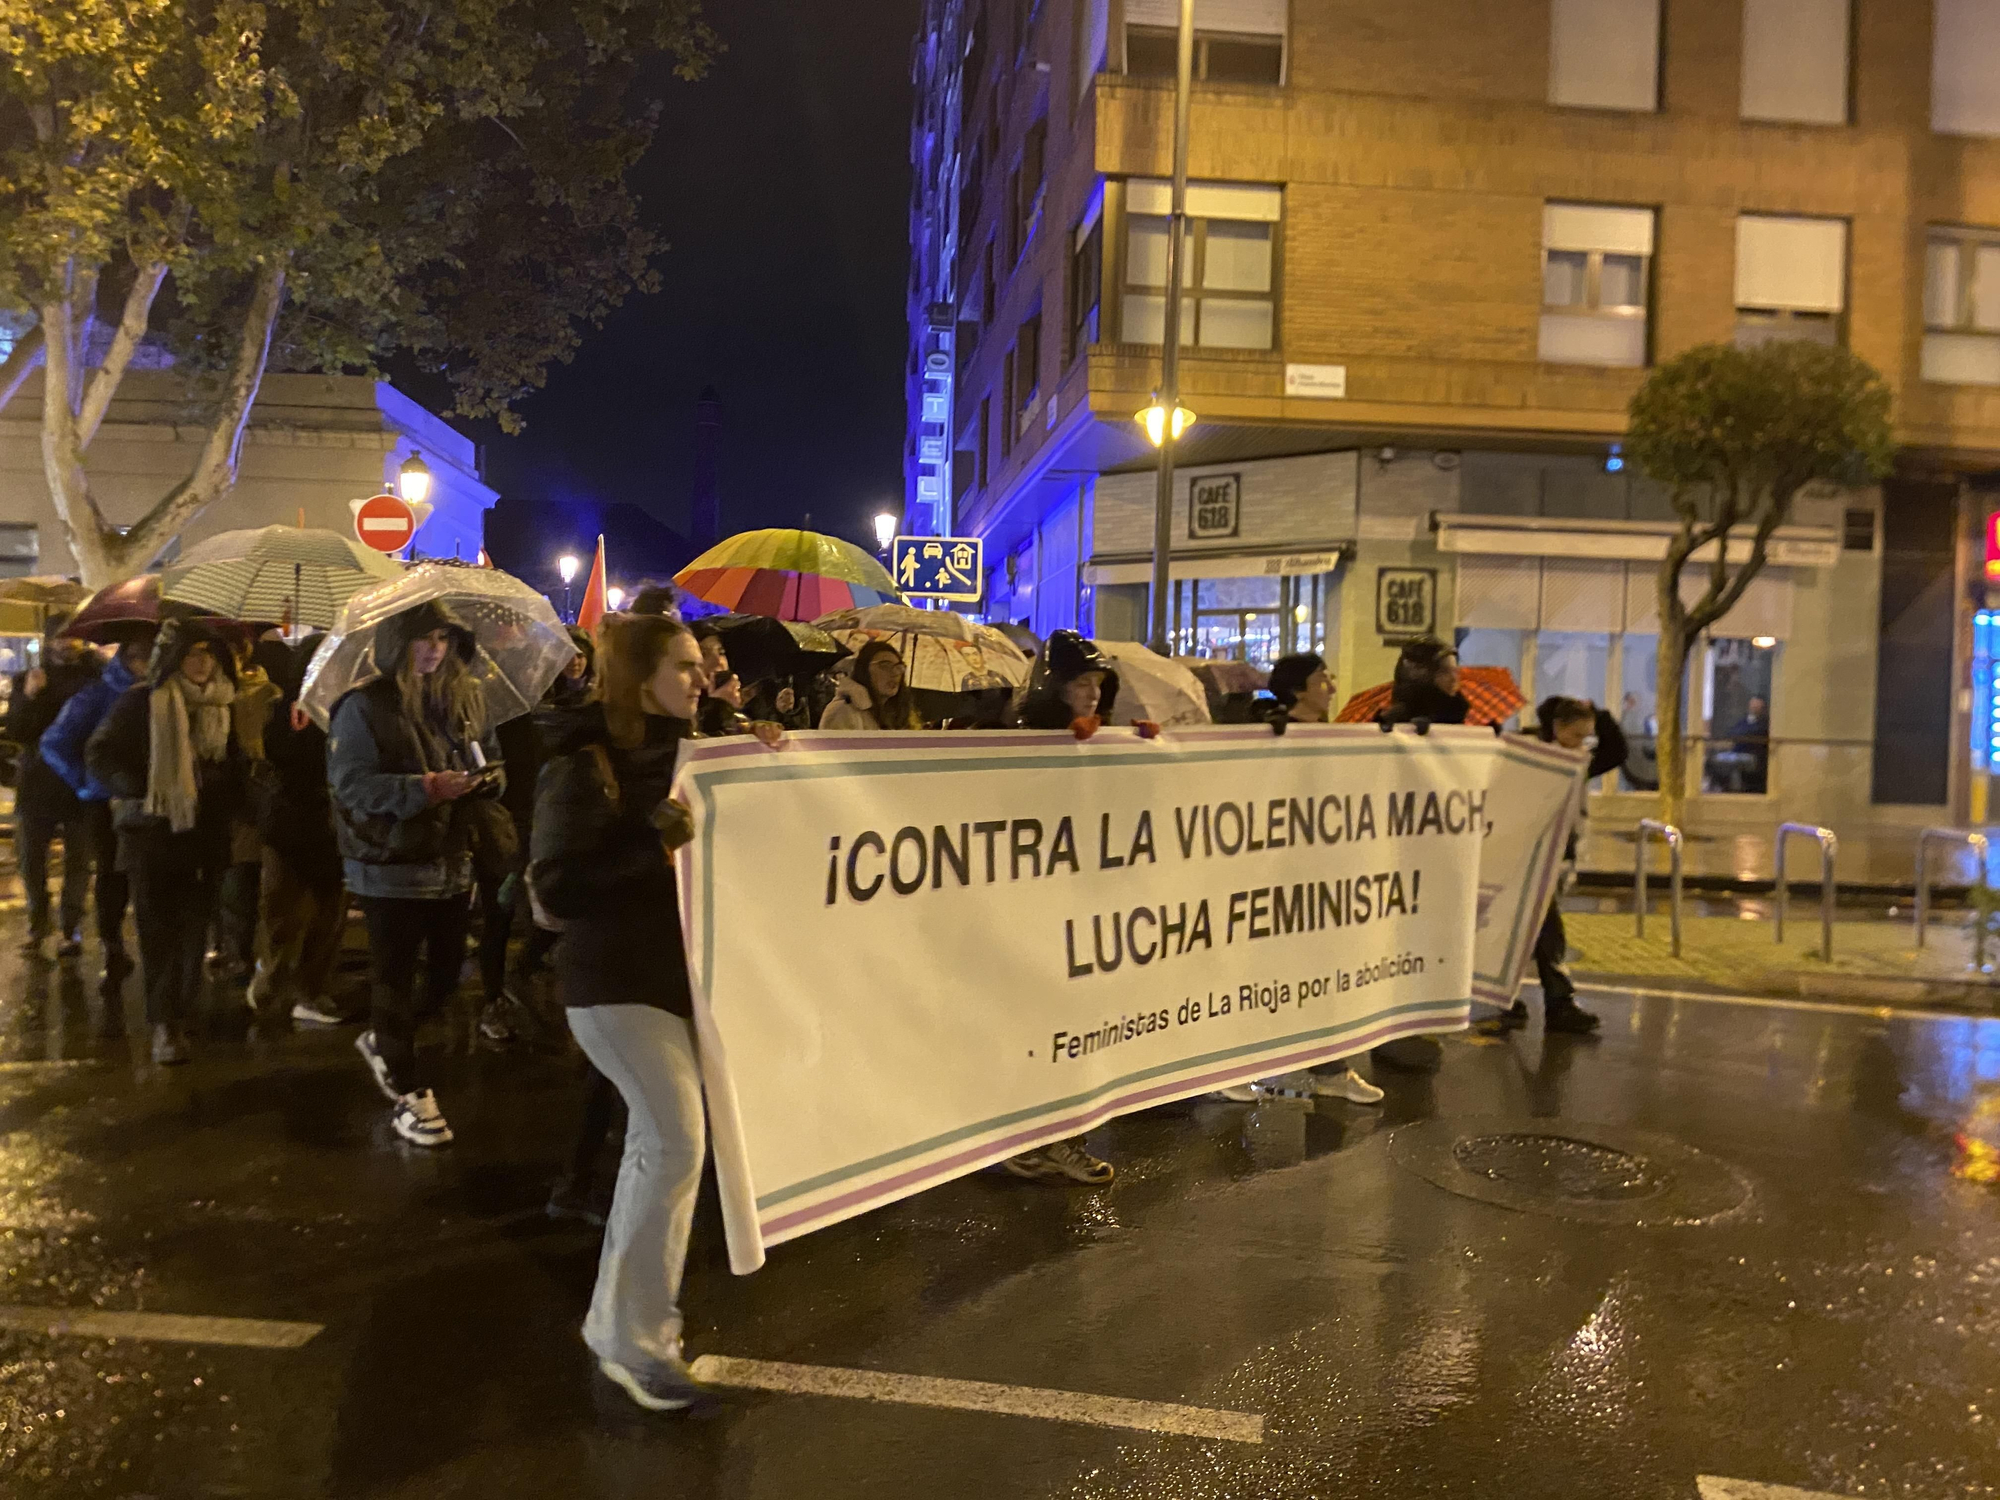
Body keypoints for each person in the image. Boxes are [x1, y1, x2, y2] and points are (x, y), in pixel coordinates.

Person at [530, 612, 713, 1411]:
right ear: (641, 681)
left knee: (665, 1145)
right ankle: (634, 1340)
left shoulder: (700, 755)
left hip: (679, 983)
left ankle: (624, 1326)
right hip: (612, 986)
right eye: (686, 667)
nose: (704, 678)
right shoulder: (580, 767)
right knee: (673, 1141)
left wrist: (770, 751)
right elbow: (557, 890)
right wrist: (652, 842)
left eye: (703, 665)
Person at [327, 601, 503, 1147]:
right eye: (424, 638)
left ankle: (386, 1039)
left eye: (443, 639)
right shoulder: (364, 706)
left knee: (447, 974)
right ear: (398, 642)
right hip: (390, 866)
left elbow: (491, 757)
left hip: (451, 861)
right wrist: (424, 789)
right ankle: (409, 1092)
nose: (434, 650)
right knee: (395, 979)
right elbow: (351, 784)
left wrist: (487, 781)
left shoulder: (464, 699)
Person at [1217, 654, 1386, 1108]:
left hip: (1323, 880)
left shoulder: (1333, 735)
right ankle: (1232, 1066)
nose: (1330, 686)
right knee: (1258, 975)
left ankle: (1330, 1070)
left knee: (1322, 976)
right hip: (1274, 878)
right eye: (1320, 679)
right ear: (1296, 690)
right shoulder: (1269, 733)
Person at [85, 620, 249, 1064]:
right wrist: (146, 786)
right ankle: (164, 1023)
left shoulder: (223, 704)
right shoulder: (142, 701)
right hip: (152, 835)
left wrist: (239, 788)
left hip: (204, 836)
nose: (202, 662)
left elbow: (232, 764)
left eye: (208, 654)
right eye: (192, 653)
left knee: (195, 932)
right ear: (174, 659)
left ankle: (182, 1011)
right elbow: (99, 755)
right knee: (158, 932)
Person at [1005, 630, 1119, 1186]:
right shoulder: (1019, 742)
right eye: (1081, 683)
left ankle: (1053, 1136)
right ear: (1055, 687)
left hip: (1081, 905)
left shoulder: (1097, 740)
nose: (1092, 694)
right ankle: (1040, 1137)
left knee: (1072, 1024)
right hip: (1036, 907)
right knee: (1041, 1024)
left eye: (1097, 683)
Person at [1487, 696, 1628, 1037]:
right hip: (1523, 857)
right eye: (1576, 735)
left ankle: (1512, 1002)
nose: (1581, 744)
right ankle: (1555, 1003)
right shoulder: (1532, 754)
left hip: (1553, 857)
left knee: (1530, 932)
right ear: (1558, 727)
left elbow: (1615, 752)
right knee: (1543, 932)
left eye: (1586, 737)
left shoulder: (1575, 760)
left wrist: (1600, 715)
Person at [1368, 636, 1472, 1074]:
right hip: (1404, 853)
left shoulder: (1460, 718)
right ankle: (1395, 1032)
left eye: (1456, 670)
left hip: (1442, 849)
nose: (1455, 679)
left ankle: (1418, 1022)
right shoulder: (1394, 720)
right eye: (1446, 671)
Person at [247, 633, 349, 1028]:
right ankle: (270, 979)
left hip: (333, 824)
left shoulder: (349, 706)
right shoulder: (285, 707)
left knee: (329, 914)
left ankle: (311, 988)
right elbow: (278, 755)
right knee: (282, 914)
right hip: (289, 824)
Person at [42, 629, 154, 983]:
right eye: (138, 655)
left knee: (151, 875)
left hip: (153, 798)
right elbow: (54, 742)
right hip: (106, 802)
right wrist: (86, 784)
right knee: (112, 873)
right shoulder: (97, 695)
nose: (144, 663)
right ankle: (112, 944)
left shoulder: (163, 692)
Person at [8, 620, 100, 959]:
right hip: (37, 783)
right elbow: (18, 731)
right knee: (30, 860)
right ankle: (38, 924)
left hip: (79, 782)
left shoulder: (93, 679)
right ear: (48, 642)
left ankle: (70, 928)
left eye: (74, 636)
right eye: (61, 637)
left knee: (79, 861)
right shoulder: (28, 678)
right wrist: (30, 696)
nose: (68, 643)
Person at [819, 641, 923, 730]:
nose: (895, 673)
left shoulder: (896, 714)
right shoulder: (843, 711)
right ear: (864, 670)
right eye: (885, 666)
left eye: (899, 667)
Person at [1375, 636, 1471, 728]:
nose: (1454, 678)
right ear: (1422, 675)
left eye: (1455, 671)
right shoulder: (1390, 718)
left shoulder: (1463, 712)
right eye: (1444, 671)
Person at [1619, 691, 1659, 792]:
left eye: (1634, 702)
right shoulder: (1626, 718)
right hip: (1632, 760)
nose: (1632, 705)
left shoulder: (1647, 720)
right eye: (1630, 702)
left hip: (1644, 760)